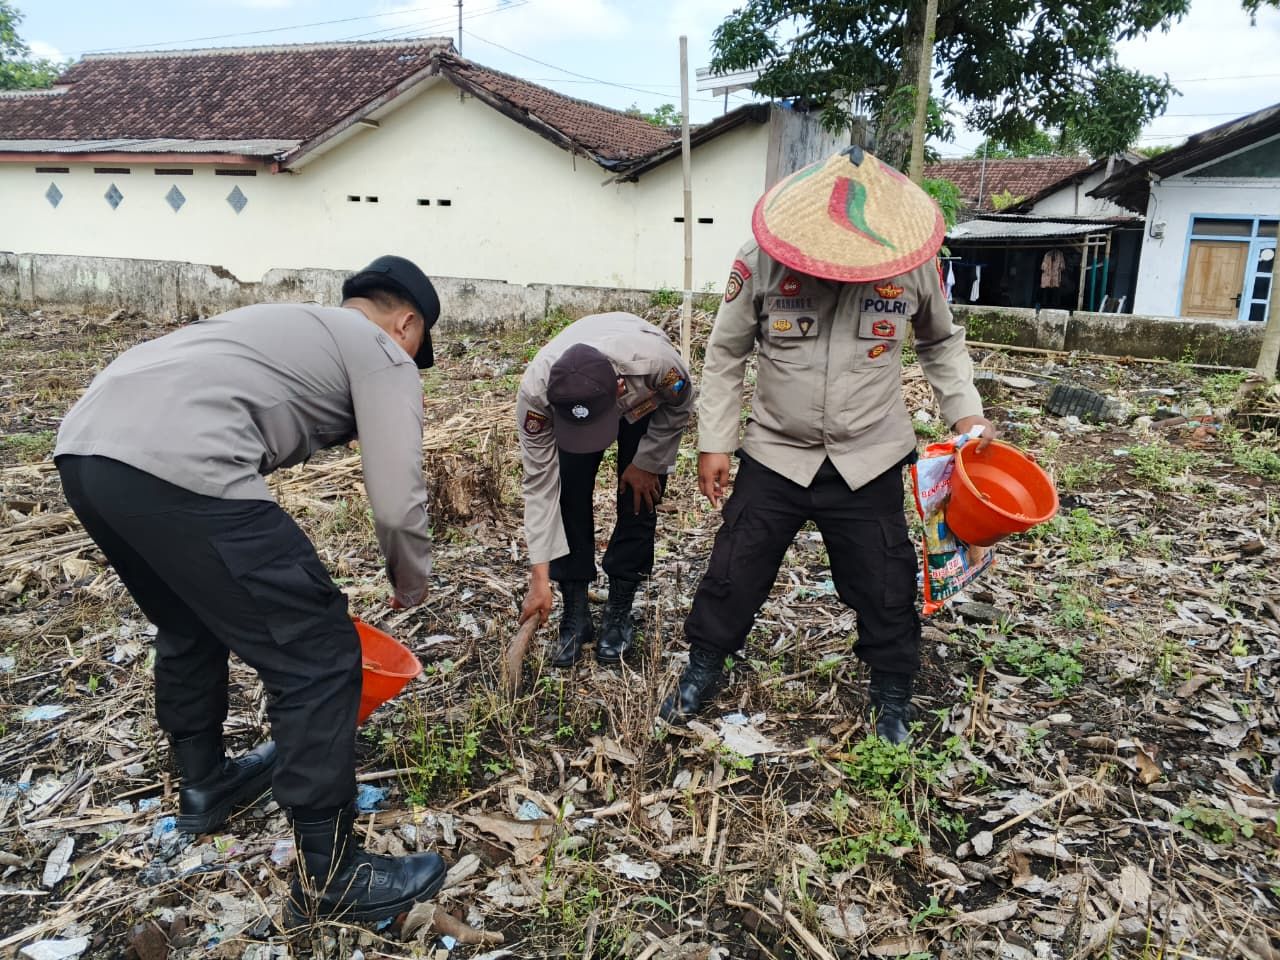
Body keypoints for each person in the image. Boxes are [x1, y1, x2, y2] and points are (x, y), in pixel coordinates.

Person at [54, 255, 447, 926]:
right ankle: (333, 877)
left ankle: (206, 786)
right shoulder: (384, 352)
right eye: (416, 347)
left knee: (189, 621)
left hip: (86, 451)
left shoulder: (286, 324)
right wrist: (410, 581)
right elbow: (397, 495)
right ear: (406, 324)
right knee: (319, 649)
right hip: (178, 461)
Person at [659, 146, 996, 743]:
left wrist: (966, 414)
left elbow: (940, 343)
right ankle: (704, 665)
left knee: (886, 581)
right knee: (735, 569)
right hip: (775, 452)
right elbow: (727, 351)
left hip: (870, 455)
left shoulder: (909, 263)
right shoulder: (761, 259)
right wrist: (716, 440)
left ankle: (892, 690)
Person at [516, 312, 695, 666]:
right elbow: (539, 487)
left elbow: (680, 405)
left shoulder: (657, 367)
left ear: (618, 388)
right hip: (573, 399)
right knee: (568, 490)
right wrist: (540, 576)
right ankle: (576, 611)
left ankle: (620, 608)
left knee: (640, 496)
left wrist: (649, 461)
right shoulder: (537, 394)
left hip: (643, 404)